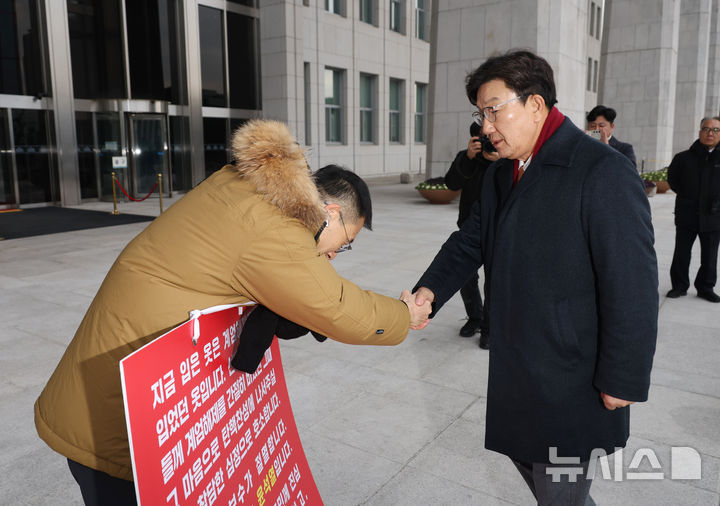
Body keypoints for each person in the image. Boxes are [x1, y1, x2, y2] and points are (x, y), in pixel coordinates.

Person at [34, 119, 431, 505]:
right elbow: (336, 307)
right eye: (343, 243)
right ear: (328, 211)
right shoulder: (271, 226)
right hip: (116, 418)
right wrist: (403, 314)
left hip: (119, 389)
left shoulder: (248, 190)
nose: (332, 255)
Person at [410, 50, 658, 505]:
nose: (485, 126)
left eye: (493, 110)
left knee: (559, 492)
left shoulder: (601, 171)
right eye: (480, 113)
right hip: (519, 366)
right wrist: (431, 289)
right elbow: (472, 239)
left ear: (536, 105)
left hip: (573, 376)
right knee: (539, 472)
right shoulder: (502, 173)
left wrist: (623, 377)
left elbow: (634, 286)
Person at [444, 121, 499, 348]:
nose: (487, 141)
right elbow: (451, 183)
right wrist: (467, 157)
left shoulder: (507, 159)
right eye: (481, 138)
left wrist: (500, 163)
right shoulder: (467, 158)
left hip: (497, 230)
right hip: (469, 228)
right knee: (466, 277)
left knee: (494, 282)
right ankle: (474, 317)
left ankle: (489, 328)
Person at [666, 116, 720, 303]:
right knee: (682, 252)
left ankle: (706, 287)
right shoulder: (683, 158)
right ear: (699, 132)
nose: (710, 133)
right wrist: (689, 196)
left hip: (714, 216)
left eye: (715, 130)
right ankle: (679, 286)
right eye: (706, 129)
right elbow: (673, 180)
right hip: (687, 214)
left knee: (710, 255)